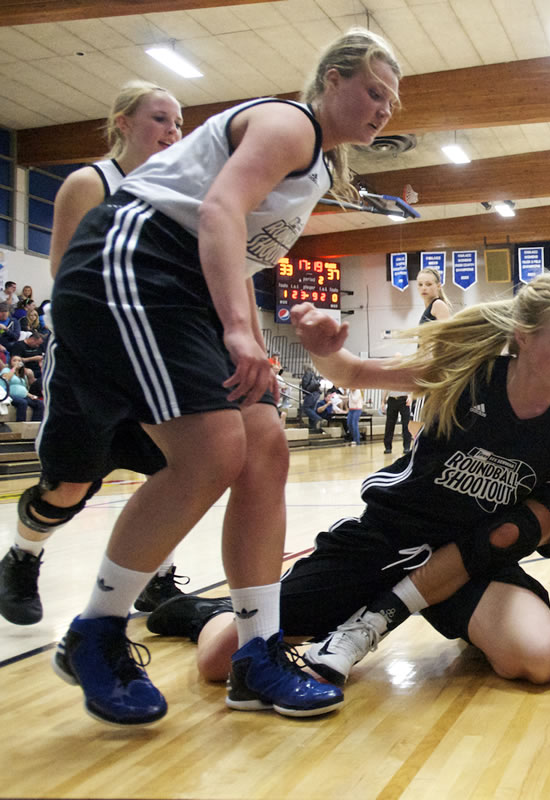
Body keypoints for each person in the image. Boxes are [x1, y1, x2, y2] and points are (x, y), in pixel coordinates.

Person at [45, 28, 401, 725]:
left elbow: (236, 247)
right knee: (211, 451)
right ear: (331, 80)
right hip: (136, 258)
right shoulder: (287, 123)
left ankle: (256, 653)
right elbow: (216, 210)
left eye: (392, 101)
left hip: (191, 287)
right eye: (373, 91)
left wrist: (291, 319)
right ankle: (96, 629)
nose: (384, 109)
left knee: (265, 451)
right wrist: (242, 330)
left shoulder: (321, 169)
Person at [150, 274, 550, 691]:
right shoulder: (463, 377)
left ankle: (438, 621)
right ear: (523, 337)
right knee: (218, 659)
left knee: (538, 661)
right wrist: (324, 347)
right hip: (383, 539)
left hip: (464, 558)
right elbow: (354, 374)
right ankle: (212, 611)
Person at [1, 82, 188, 628]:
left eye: (178, 124)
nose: (173, 132)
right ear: (123, 122)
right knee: (70, 486)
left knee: (176, 471)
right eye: (160, 119)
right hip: (92, 356)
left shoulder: (174, 194)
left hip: (153, 359)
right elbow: (65, 274)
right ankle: (21, 557)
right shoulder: (90, 183)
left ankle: (157, 579)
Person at [408, 267, 452, 440]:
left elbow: (449, 338)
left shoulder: (438, 305)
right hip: (424, 370)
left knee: (416, 423)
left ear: (438, 285)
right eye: (420, 284)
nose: (423, 288)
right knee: (420, 423)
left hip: (431, 372)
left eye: (428, 284)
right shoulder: (427, 310)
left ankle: (421, 459)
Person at [2, 357, 43, 422]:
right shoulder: (6, 370)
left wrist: (31, 395)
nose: (17, 362)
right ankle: (20, 423)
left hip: (23, 396)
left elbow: (23, 389)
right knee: (23, 403)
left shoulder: (22, 375)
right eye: (14, 360)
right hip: (10, 395)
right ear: (10, 362)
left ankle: (34, 423)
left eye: (19, 360)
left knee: (39, 404)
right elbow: (6, 378)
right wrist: (14, 368)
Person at [380, 389, 411, 455]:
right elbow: (385, 388)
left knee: (406, 424)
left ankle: (407, 447)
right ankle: (388, 447)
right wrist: (383, 401)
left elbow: (411, 387)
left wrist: (410, 397)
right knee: (389, 424)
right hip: (392, 399)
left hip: (404, 399)